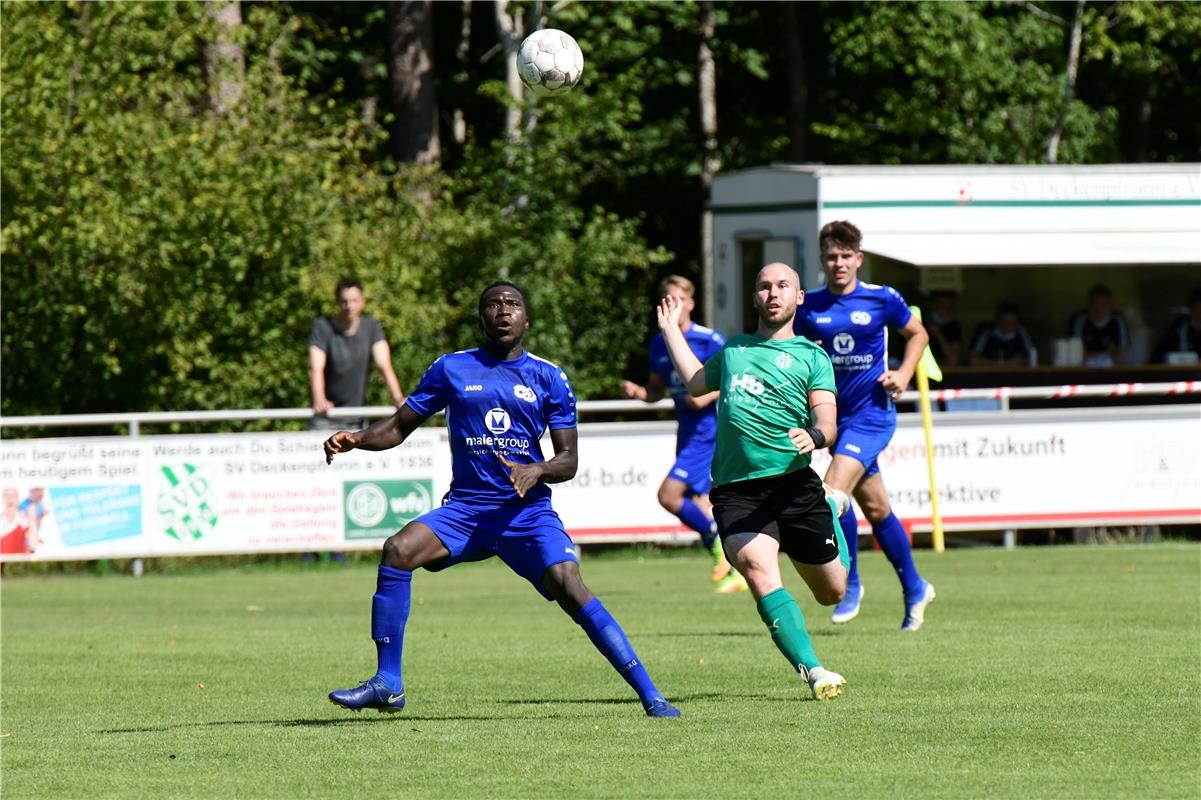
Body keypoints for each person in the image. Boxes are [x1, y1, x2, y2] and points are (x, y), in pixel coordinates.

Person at [323, 280, 681, 718]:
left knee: (569, 585)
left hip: (525, 514)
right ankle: (388, 683)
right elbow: (398, 427)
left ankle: (651, 694)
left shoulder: (549, 376)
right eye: (493, 304)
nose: (503, 310)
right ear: (482, 317)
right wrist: (357, 438)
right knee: (398, 550)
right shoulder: (451, 368)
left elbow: (568, 460)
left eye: (513, 304)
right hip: (466, 512)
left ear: (526, 319)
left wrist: (538, 470)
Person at [657, 262, 850, 700]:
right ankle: (815, 671)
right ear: (755, 298)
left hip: (795, 487)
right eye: (764, 286)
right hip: (737, 493)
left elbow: (828, 420)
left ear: (799, 297)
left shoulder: (812, 356)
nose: (773, 292)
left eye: (783, 285)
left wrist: (815, 436)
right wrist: (671, 329)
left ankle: (835, 508)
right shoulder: (734, 351)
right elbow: (694, 384)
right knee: (761, 573)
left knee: (832, 593)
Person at [793, 220, 936, 632]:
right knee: (874, 507)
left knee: (832, 491)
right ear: (822, 260)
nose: (838, 263)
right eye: (831, 256)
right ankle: (914, 585)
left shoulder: (881, 298)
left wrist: (904, 374)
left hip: (873, 415)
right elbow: (796, 350)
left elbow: (918, 333)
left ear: (859, 259)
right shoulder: (811, 306)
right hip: (835, 419)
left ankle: (850, 581)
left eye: (845, 256)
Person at [622, 276, 745, 593]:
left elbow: (736, 378)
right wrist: (640, 392)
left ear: (690, 303)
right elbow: (656, 390)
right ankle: (735, 571)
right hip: (686, 432)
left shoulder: (709, 339)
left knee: (669, 495)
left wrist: (705, 395)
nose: (671, 304)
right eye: (666, 298)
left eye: (677, 298)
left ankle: (721, 547)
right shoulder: (658, 343)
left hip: (709, 432)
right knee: (698, 502)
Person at [309, 277, 406, 431]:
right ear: (337, 302)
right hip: (326, 417)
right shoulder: (322, 327)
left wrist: (398, 398)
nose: (349, 306)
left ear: (362, 302)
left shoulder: (371, 326)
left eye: (354, 300)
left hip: (357, 418)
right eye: (344, 301)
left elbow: (384, 365)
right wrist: (320, 400)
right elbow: (315, 368)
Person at [1067, 284, 1130, 367]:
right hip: (1083, 370)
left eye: (1103, 304)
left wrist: (1092, 356)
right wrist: (1107, 354)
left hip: (1111, 371)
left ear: (1110, 305)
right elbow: (1077, 356)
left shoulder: (1117, 319)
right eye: (1095, 304)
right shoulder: (1080, 319)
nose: (1099, 309)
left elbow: (1121, 355)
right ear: (1089, 305)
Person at [969, 301, 1037, 368]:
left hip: (1014, 376)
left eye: (1012, 323)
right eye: (1004, 322)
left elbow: (1031, 359)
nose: (1008, 327)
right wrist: (1004, 364)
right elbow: (974, 361)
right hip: (987, 375)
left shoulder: (1021, 331)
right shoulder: (986, 331)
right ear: (997, 321)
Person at [1150, 288, 1201, 364]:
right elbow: (1160, 353)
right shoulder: (1179, 326)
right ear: (1191, 309)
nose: (1200, 313)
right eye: (1197, 309)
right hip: (1182, 370)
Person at [925, 291, 963, 367]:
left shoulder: (954, 327)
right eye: (942, 306)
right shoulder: (921, 324)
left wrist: (938, 335)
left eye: (950, 306)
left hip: (946, 371)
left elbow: (953, 359)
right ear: (933, 306)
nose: (947, 310)